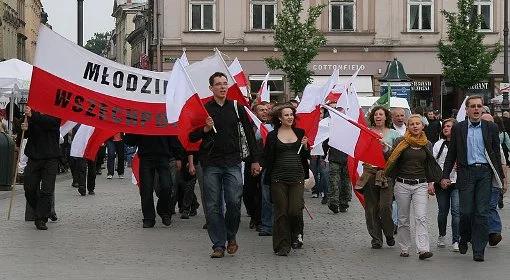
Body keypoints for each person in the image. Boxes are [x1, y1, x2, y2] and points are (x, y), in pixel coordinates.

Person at [189, 72, 261, 258]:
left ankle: (231, 236)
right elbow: (191, 136)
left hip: (233, 162)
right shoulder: (204, 110)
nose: (222, 87)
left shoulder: (237, 108)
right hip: (211, 163)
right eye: (218, 84)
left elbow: (250, 135)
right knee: (213, 206)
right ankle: (218, 245)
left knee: (234, 202)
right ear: (211, 88)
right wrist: (204, 129)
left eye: (224, 83)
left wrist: (255, 160)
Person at [441, 95, 505, 262]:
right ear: (467, 110)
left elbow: (496, 155)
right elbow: (452, 155)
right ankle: (464, 237)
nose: (476, 109)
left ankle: (478, 249)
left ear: (482, 108)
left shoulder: (491, 127)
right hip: (466, 173)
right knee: (466, 212)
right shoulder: (459, 128)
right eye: (473, 106)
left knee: (482, 213)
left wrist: (502, 178)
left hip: (485, 173)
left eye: (479, 106)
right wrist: (445, 176)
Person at [385, 114, 441, 260]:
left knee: (421, 217)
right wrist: (385, 149)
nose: (415, 126)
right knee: (403, 218)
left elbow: (429, 164)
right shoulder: (400, 141)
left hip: (420, 185)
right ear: (408, 127)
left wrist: (431, 182)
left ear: (423, 126)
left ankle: (423, 249)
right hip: (402, 184)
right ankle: (404, 247)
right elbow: (390, 159)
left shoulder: (427, 143)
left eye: (418, 124)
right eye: (412, 124)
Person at [263, 104, 309, 256]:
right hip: (278, 178)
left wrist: (306, 147)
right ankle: (282, 245)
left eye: (291, 114)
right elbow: (267, 158)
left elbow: (305, 156)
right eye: (286, 115)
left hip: (297, 177)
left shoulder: (300, 132)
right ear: (280, 118)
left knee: (295, 210)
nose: (290, 117)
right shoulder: (272, 135)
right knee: (281, 213)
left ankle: (296, 232)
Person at [356, 106, 400, 249]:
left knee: (385, 206)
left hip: (386, 174)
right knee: (371, 208)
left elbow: (396, 156)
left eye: (381, 114)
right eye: (376, 115)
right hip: (370, 172)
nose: (378, 117)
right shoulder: (367, 133)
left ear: (386, 117)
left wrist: (385, 149)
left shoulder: (394, 134)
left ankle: (389, 232)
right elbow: (360, 151)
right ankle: (376, 239)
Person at [124, 134, 185, 228]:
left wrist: (178, 157)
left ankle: (163, 210)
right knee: (146, 189)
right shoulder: (141, 121)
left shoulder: (165, 120)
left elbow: (172, 136)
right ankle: (149, 218)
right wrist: (130, 131)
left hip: (163, 156)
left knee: (167, 186)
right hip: (146, 157)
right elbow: (130, 141)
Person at [21, 106, 60, 230]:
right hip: (34, 156)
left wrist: (33, 116)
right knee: (29, 187)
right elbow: (26, 133)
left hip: (51, 157)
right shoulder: (31, 111)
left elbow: (51, 123)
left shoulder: (56, 110)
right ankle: (41, 210)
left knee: (47, 190)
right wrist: (24, 128)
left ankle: (40, 218)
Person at [433, 118, 460, 252]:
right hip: (441, 182)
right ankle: (441, 235)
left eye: (449, 126)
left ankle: (456, 239)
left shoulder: (461, 143)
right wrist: (435, 181)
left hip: (457, 182)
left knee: (456, 211)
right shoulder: (438, 144)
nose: (446, 128)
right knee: (443, 211)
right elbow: (434, 164)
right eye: (444, 126)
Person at [481, 114, 507, 247]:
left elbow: (502, 163)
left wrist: (504, 181)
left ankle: (494, 232)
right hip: (477, 179)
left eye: (491, 123)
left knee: (491, 206)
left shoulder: (496, 142)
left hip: (493, 180)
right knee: (479, 208)